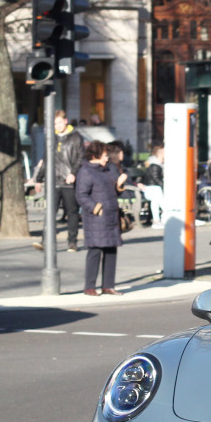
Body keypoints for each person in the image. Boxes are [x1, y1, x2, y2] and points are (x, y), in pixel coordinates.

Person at [75, 140, 123, 297]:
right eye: (104, 155)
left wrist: (120, 186)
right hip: (97, 217)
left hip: (111, 216)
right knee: (95, 250)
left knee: (111, 250)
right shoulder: (86, 171)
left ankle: (108, 285)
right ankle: (89, 286)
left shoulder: (107, 169)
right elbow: (81, 194)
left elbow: (114, 191)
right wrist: (95, 207)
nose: (107, 158)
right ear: (95, 156)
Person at [33, 110, 85, 252]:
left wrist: (73, 173)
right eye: (55, 123)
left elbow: (80, 157)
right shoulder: (51, 138)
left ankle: (72, 242)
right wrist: (39, 178)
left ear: (65, 121)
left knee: (72, 212)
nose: (58, 125)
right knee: (50, 212)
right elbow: (45, 158)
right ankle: (46, 241)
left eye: (60, 122)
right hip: (53, 180)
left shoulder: (76, 137)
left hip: (68, 180)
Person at [138, 142, 165, 227]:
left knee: (155, 200)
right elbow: (157, 180)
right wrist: (166, 187)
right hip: (151, 189)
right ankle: (168, 211)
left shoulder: (156, 165)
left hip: (152, 190)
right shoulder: (155, 166)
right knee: (157, 192)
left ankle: (156, 220)